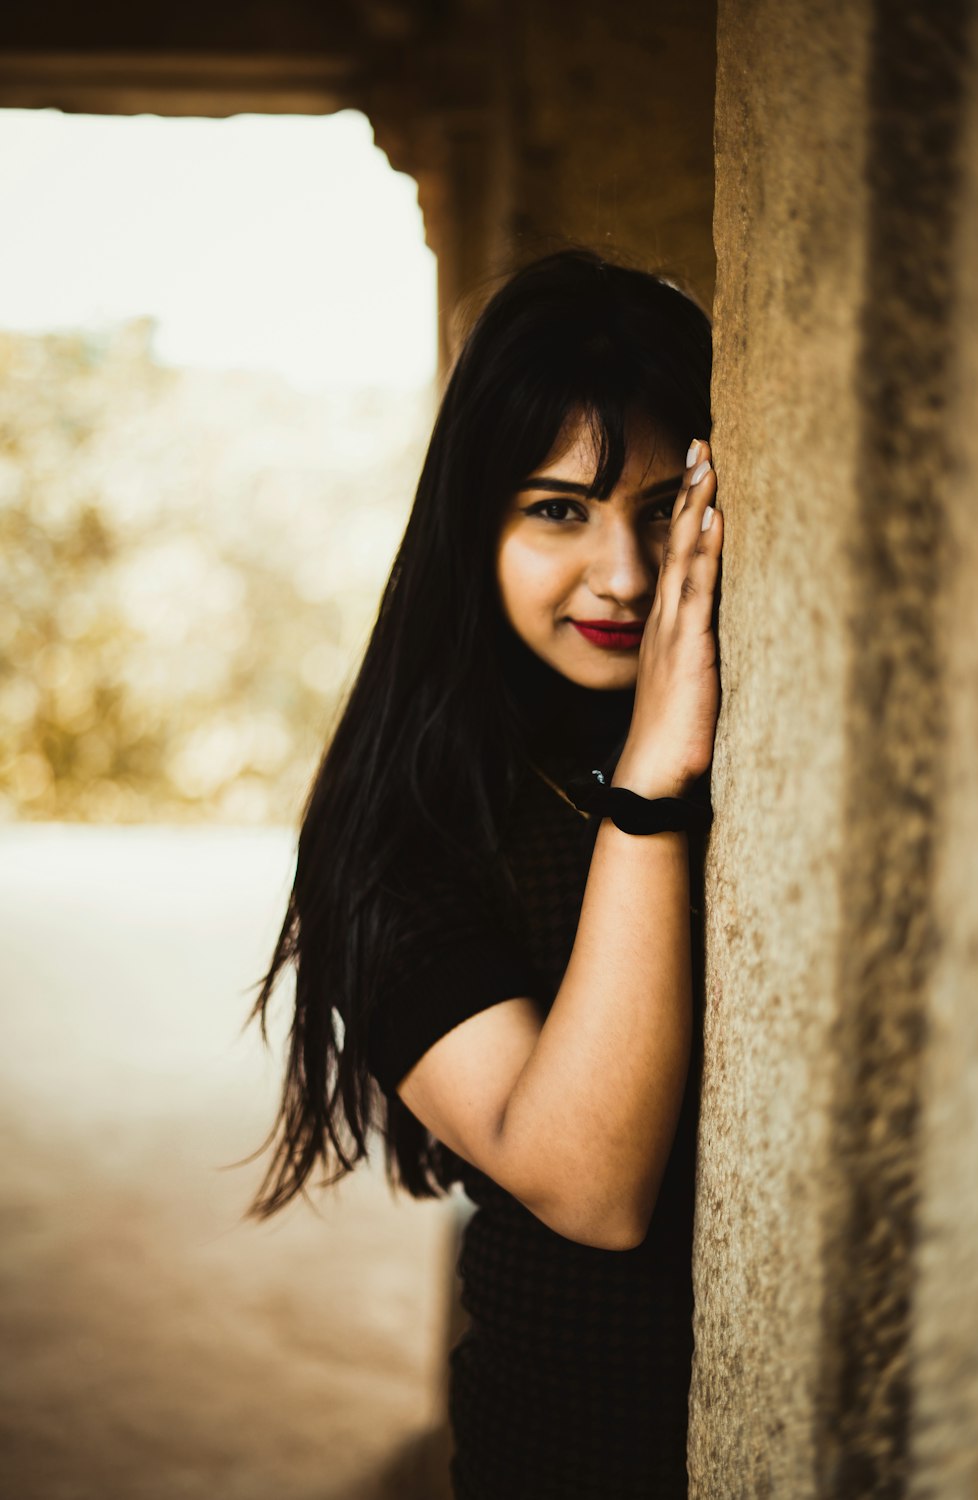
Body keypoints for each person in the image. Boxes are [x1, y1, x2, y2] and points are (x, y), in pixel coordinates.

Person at [248, 246, 722, 1498]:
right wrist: (650, 784)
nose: (623, 576)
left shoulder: (771, 732)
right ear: (475, 524)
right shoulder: (398, 831)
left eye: (666, 507)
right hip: (570, 1452)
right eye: (558, 510)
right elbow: (587, 1183)